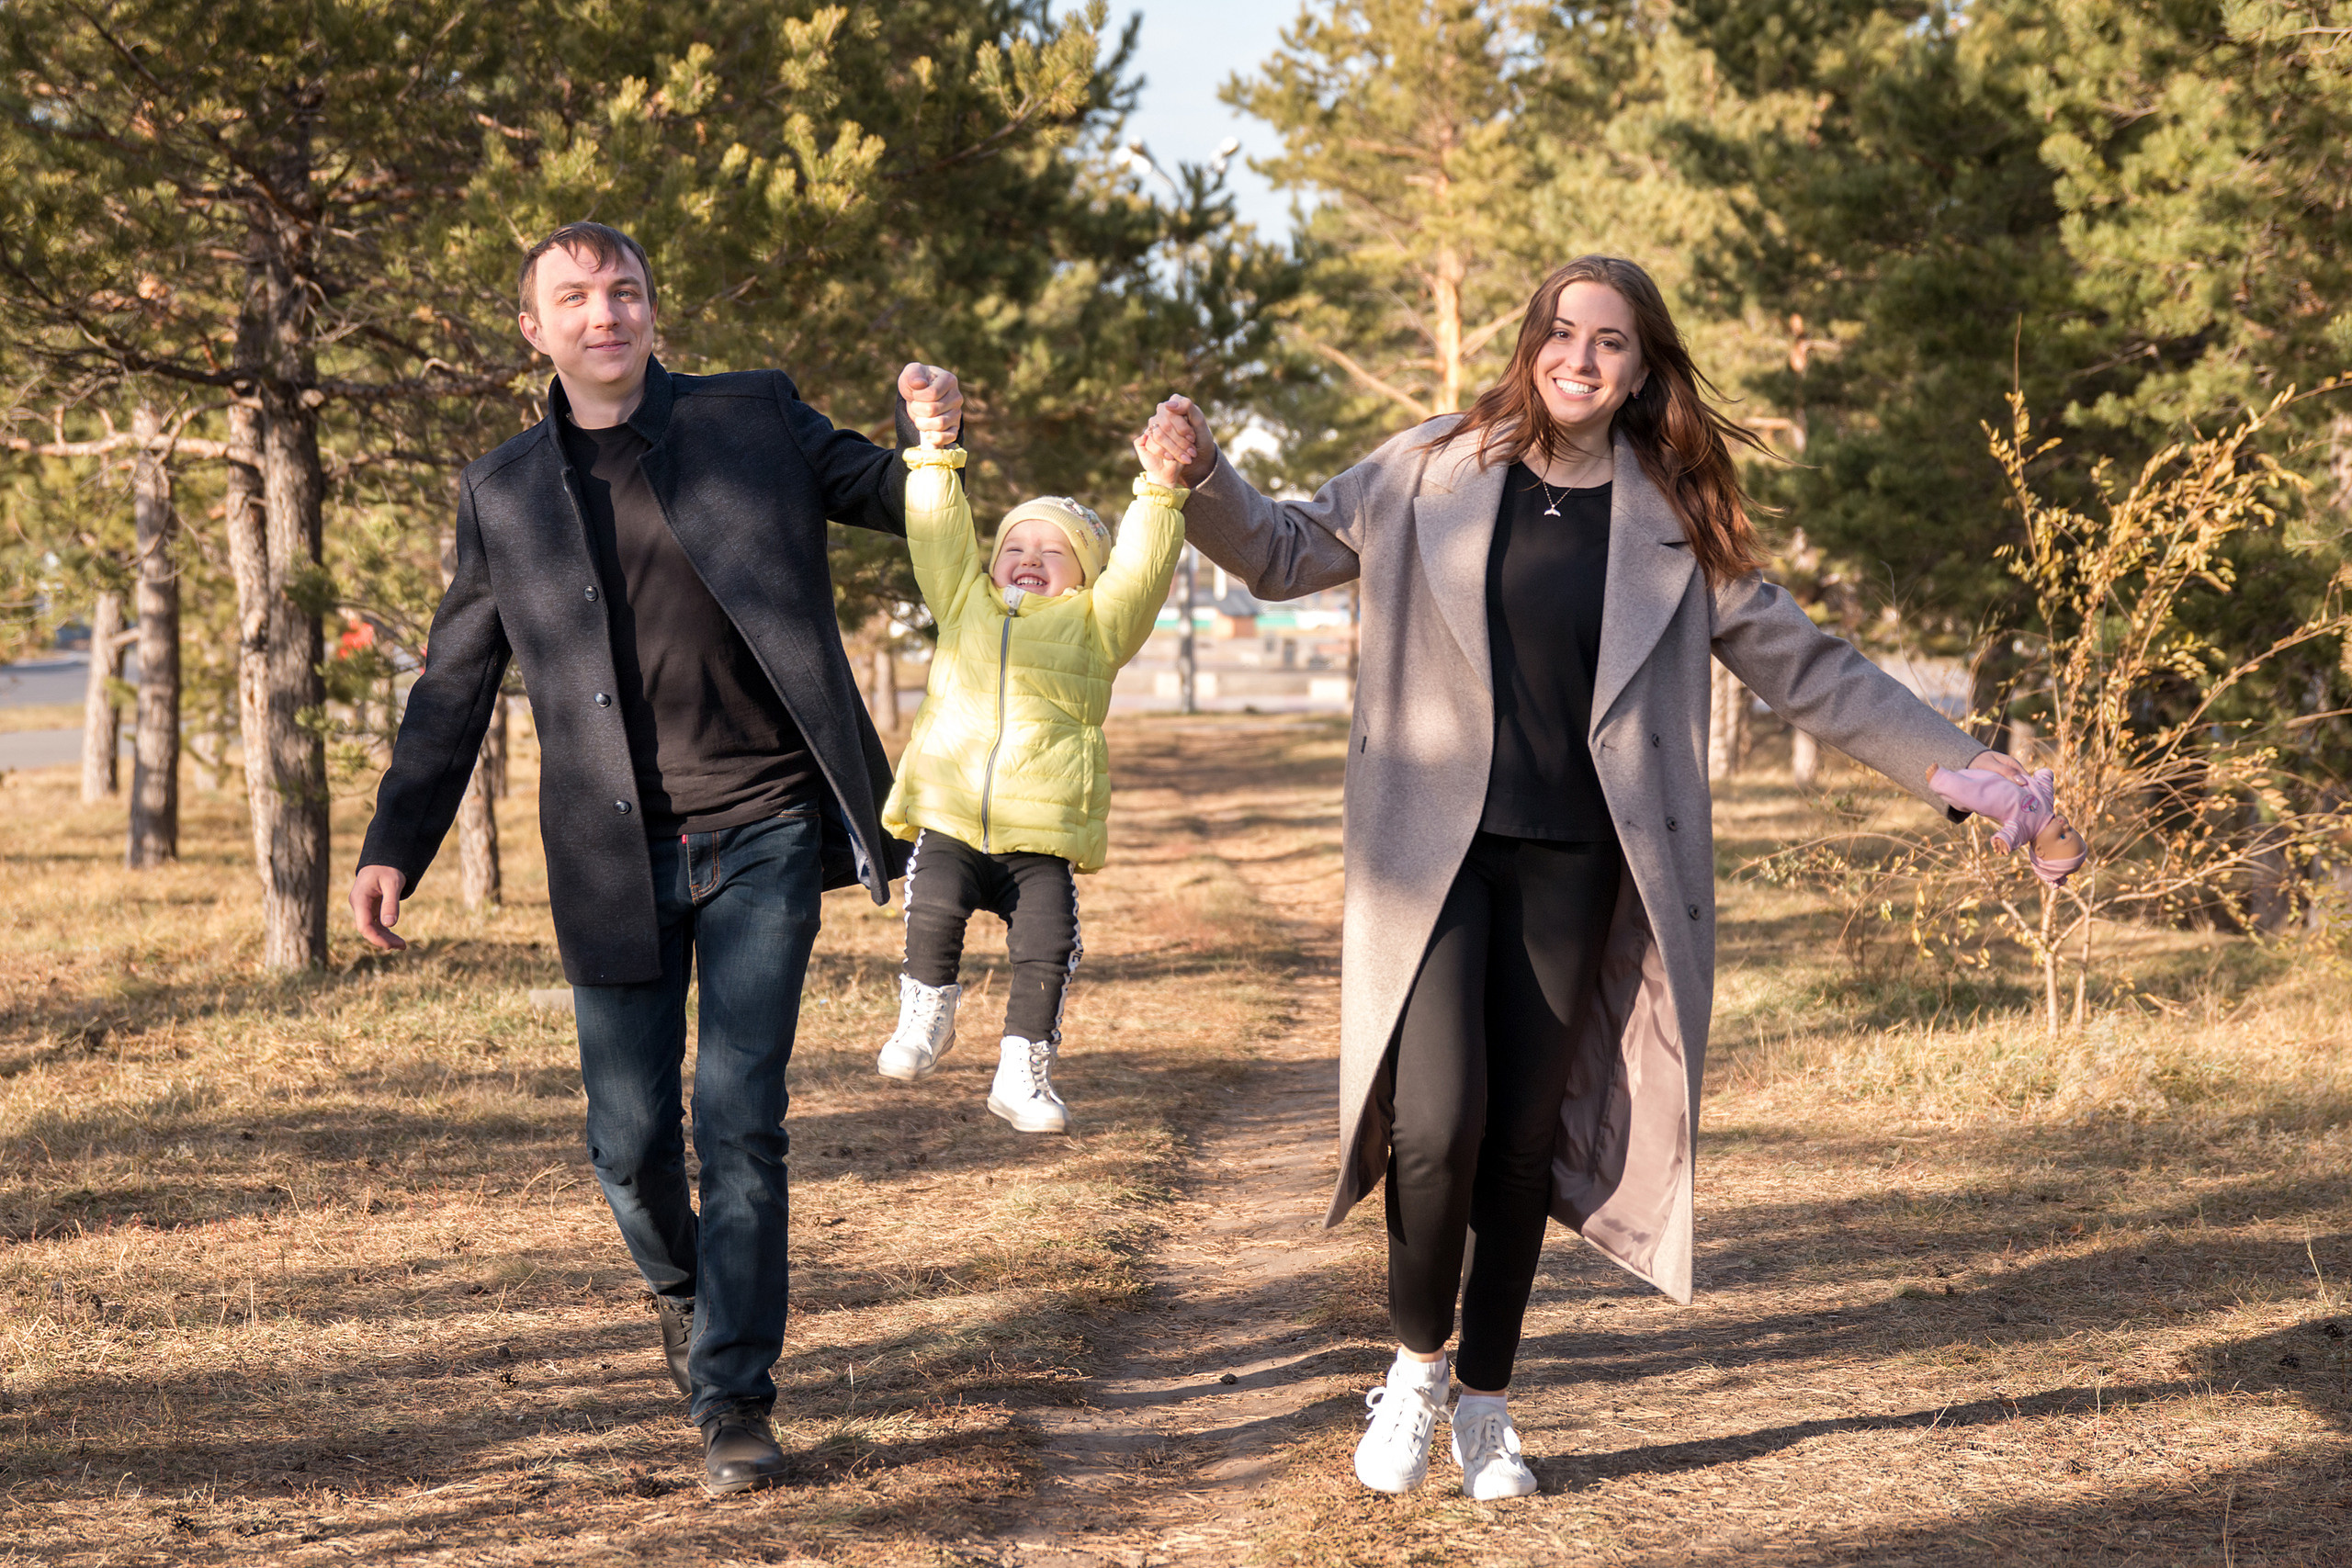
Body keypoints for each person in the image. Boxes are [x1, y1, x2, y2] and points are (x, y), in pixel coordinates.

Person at [1140, 255, 2048, 1501]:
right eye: (1562, 333)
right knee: (1440, 1124)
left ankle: (1488, 1405)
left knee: (1521, 1141)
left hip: (1582, 864)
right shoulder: (1429, 467)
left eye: (1610, 341)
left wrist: (1972, 774)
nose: (1580, 357)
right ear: (1530, 345)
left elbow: (1814, 668)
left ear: (1641, 368)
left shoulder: (1671, 522)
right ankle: (1413, 1366)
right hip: (1435, 857)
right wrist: (1201, 479)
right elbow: (1288, 549)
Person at [347, 221, 963, 1496]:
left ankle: (735, 1395)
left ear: (651, 309)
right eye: (572, 297)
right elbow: (451, 687)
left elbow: (893, 497)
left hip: (769, 824)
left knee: (741, 1116)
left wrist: (934, 441)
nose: (603, 313)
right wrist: (395, 843)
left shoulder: (753, 417)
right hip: (608, 852)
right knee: (627, 1140)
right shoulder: (504, 490)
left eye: (622, 290)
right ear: (536, 330)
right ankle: (687, 1289)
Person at [872, 426, 1191, 1132]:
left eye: (1053, 552)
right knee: (933, 902)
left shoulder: (1097, 626)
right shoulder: (964, 606)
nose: (1029, 558)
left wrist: (1162, 493)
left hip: (1039, 838)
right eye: (1015, 547)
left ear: (1084, 573)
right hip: (953, 815)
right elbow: (938, 533)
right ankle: (926, 1011)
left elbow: (1138, 573)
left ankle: (1023, 1064)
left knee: (1048, 941)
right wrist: (930, 452)